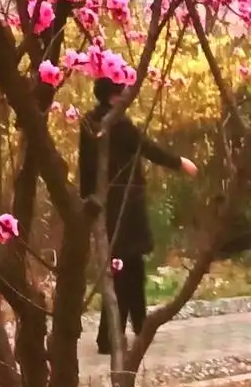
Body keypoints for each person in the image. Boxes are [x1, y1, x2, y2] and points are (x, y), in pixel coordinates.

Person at [79, 77, 197, 354]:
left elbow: (84, 166)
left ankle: (138, 327)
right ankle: (113, 335)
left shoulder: (88, 123)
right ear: (114, 96)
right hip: (125, 206)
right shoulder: (118, 124)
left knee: (129, 268)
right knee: (125, 269)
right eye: (122, 92)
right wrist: (180, 163)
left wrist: (87, 203)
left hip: (106, 206)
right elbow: (147, 147)